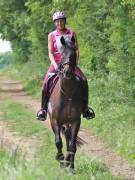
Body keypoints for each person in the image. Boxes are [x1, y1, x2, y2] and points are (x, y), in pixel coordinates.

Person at [37, 11, 95, 121]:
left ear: (64, 21)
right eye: (57, 21)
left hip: (71, 64)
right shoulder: (52, 35)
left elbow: (77, 49)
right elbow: (50, 52)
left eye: (61, 20)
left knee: (83, 79)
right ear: (55, 23)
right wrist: (54, 64)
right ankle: (43, 110)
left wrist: (75, 63)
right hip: (57, 63)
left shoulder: (72, 33)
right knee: (45, 83)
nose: (60, 23)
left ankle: (85, 108)